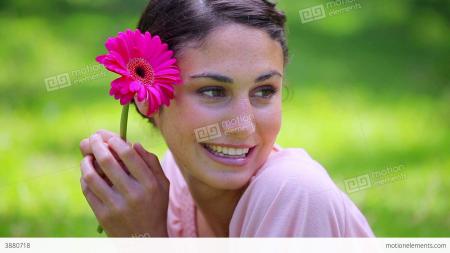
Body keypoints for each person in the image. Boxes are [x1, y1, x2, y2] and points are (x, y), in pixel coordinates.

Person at [79, 0, 374, 237]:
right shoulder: (172, 180)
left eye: (264, 91)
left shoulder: (295, 192)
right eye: (213, 91)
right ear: (146, 95)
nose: (243, 124)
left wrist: (145, 236)